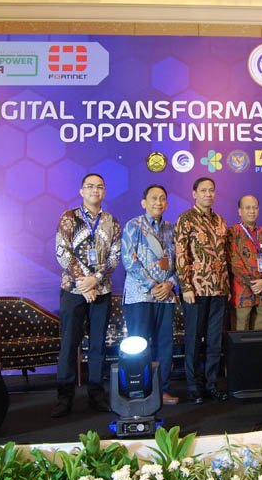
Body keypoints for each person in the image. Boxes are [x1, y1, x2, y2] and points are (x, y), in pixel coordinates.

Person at [52, 173, 122, 418]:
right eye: (90, 186)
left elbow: (115, 255)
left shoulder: (111, 221)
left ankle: (96, 395)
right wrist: (84, 282)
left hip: (101, 291)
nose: (95, 190)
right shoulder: (69, 218)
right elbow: (62, 251)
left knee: (97, 346)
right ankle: (64, 398)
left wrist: (96, 280)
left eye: (99, 187)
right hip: (73, 290)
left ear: (104, 192)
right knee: (69, 344)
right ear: (81, 191)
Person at [122, 184, 179, 406]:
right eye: (154, 198)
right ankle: (138, 390)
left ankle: (162, 390)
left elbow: (181, 262)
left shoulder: (171, 229)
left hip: (166, 296)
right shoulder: (133, 226)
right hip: (140, 297)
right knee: (139, 345)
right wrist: (152, 285)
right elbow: (129, 260)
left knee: (165, 345)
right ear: (143, 202)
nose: (158, 202)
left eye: (162, 198)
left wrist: (170, 283)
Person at [174, 177, 230, 404]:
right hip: (195, 291)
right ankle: (194, 387)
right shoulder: (186, 219)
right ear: (194, 193)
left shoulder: (220, 220)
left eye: (211, 190)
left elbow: (224, 256)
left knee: (214, 342)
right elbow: (181, 254)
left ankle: (211, 384)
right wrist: (185, 286)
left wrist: (226, 286)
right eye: (203, 190)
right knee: (194, 341)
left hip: (219, 290)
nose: (208, 194)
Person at [227, 195, 262, 330]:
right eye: (248, 208)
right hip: (242, 294)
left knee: (261, 335)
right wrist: (254, 283)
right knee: (240, 334)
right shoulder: (232, 233)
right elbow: (234, 262)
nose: (252, 211)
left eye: (255, 208)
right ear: (240, 211)